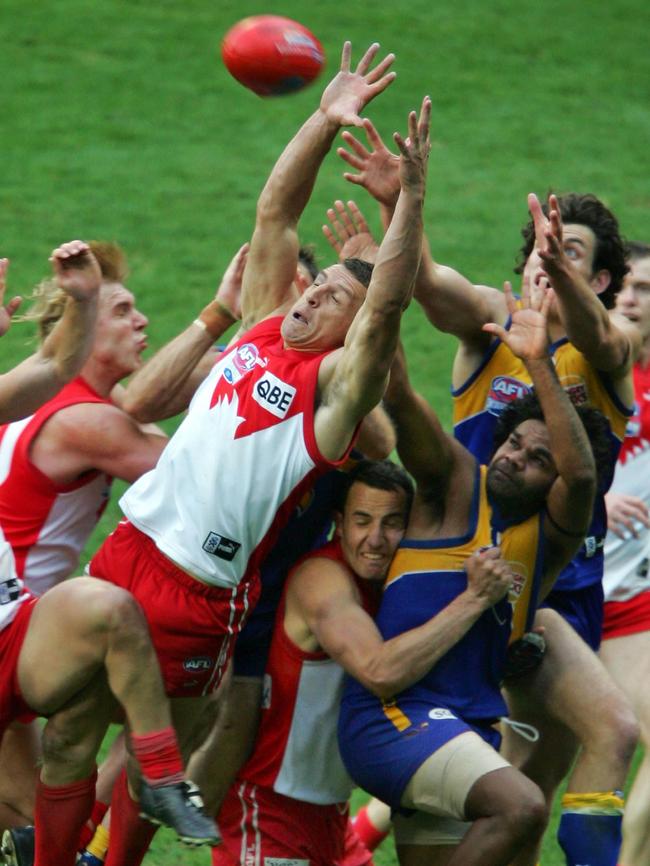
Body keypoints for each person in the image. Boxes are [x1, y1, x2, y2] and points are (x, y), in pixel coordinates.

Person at [86, 42, 431, 866]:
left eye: (335, 296)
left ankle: (114, 856)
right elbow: (274, 214)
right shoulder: (265, 324)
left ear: (355, 337)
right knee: (66, 725)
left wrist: (406, 207)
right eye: (316, 285)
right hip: (132, 546)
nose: (314, 290)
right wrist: (322, 118)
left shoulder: (336, 393)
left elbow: (383, 320)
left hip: (217, 585)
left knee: (166, 747)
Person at [333, 125, 639, 865]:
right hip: (461, 552)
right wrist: (402, 205)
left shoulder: (610, 347)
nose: (547, 259)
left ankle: (370, 828)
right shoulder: (488, 322)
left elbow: (600, 339)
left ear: (599, 279)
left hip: (556, 579)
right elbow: (430, 286)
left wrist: (559, 288)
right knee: (597, 742)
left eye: (568, 251)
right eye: (541, 248)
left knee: (532, 781)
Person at [338, 280, 609, 866]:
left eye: (540, 459)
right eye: (513, 443)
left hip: (464, 729)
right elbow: (401, 394)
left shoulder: (550, 537)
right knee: (522, 806)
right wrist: (377, 284)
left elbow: (581, 479)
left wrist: (538, 363)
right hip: (392, 721)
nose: (514, 457)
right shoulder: (456, 486)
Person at [0, 242, 219, 866]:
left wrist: (85, 298)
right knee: (31, 828)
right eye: (124, 311)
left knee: (115, 619)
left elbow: (54, 360)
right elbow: (192, 472)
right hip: (30, 624)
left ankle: (161, 779)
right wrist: (228, 321)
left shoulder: (49, 400)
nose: (143, 322)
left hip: (21, 627)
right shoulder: (83, 421)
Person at [212, 459, 524, 866]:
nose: (375, 539)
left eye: (392, 523)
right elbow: (381, 672)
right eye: (362, 521)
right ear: (340, 523)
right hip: (271, 813)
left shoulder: (397, 588)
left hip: (332, 818)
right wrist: (475, 598)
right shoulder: (322, 578)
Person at [599, 241, 650, 866]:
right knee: (488, 741)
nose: (634, 300)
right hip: (553, 589)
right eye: (627, 287)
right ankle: (363, 836)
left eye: (648, 292)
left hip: (627, 604)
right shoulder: (588, 367)